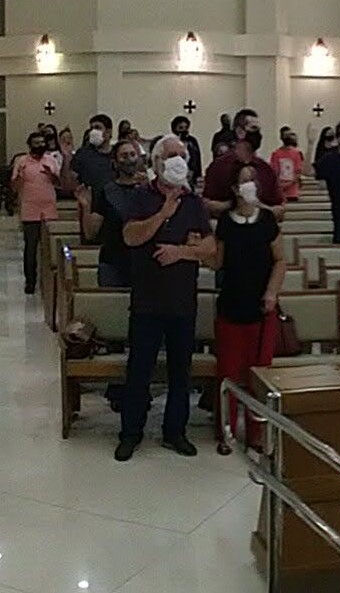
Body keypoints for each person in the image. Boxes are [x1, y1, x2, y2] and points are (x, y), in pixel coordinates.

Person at [109, 139, 215, 461]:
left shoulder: (193, 202)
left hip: (182, 300)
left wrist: (181, 252)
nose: (178, 160)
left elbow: (210, 249)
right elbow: (130, 236)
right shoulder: (142, 196)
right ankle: (131, 433)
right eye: (171, 156)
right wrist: (163, 214)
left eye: (182, 155)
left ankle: (175, 432)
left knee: (180, 373)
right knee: (139, 370)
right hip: (147, 300)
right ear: (156, 162)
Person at [209, 164, 286, 455]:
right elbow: (218, 262)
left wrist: (272, 291)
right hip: (231, 305)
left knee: (259, 375)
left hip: (261, 308)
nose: (250, 184)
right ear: (234, 189)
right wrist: (195, 250)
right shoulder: (225, 222)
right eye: (244, 180)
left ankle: (257, 432)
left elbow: (280, 260)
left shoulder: (267, 220)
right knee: (228, 373)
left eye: (253, 179)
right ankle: (226, 430)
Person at [86, 140, 150, 288]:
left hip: (141, 262)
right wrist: (85, 206)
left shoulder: (148, 189)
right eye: (124, 156)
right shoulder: (107, 191)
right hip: (113, 262)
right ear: (115, 162)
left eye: (133, 155)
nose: (129, 160)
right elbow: (91, 233)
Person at [13, 130, 64, 294]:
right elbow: (14, 186)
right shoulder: (22, 161)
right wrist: (19, 177)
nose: (40, 145)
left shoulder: (51, 160)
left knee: (49, 249)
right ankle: (30, 281)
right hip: (30, 209)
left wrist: (51, 175)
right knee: (31, 247)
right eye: (36, 143)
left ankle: (48, 282)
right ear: (30, 145)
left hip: (49, 209)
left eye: (42, 143)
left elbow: (59, 183)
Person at [202, 129, 285, 217]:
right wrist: (234, 202)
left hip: (261, 220)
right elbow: (206, 204)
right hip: (228, 220)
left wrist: (258, 205)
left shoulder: (265, 169)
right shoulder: (220, 166)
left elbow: (279, 208)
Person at [270, 130, 309, 203]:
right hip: (280, 191)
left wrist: (286, 184)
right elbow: (274, 172)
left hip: (292, 192)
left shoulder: (296, 153)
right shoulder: (276, 154)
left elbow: (298, 172)